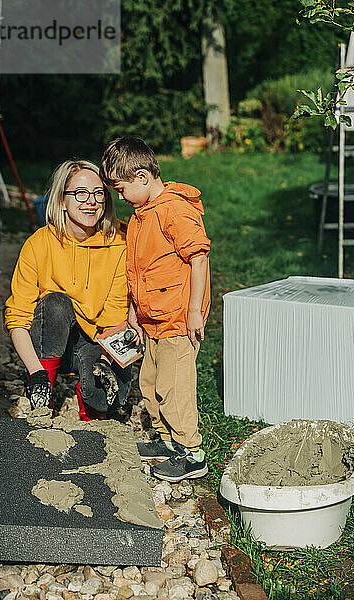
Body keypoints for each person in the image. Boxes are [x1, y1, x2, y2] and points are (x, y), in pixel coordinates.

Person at [100, 136, 211, 482]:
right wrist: (134, 309)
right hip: (153, 320)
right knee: (149, 382)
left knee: (173, 387)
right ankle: (167, 441)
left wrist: (194, 311)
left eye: (120, 189)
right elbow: (139, 268)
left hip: (178, 319)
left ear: (142, 177)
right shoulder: (141, 216)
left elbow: (198, 258)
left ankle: (192, 452)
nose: (119, 198)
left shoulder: (174, 211)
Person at [3, 160, 131, 420]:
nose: (91, 202)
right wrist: (35, 371)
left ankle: (87, 397)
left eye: (98, 193)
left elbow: (116, 315)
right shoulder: (38, 244)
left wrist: (106, 362)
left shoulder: (119, 242)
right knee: (56, 303)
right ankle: (45, 388)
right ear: (62, 200)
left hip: (95, 339)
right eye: (80, 193)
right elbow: (17, 317)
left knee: (110, 400)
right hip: (51, 340)